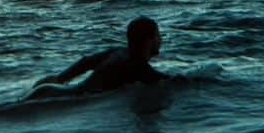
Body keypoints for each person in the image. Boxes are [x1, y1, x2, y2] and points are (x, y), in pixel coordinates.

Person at [27, 17, 171, 99]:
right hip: (56, 97)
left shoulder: (118, 52)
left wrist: (60, 79)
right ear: (148, 40)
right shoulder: (139, 68)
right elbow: (164, 80)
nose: (161, 40)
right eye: (158, 35)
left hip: (49, 89)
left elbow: (86, 62)